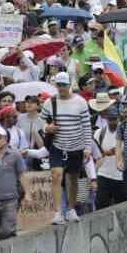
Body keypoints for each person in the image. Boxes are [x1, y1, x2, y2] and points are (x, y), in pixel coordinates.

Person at [42, 73, 90, 224]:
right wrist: (47, 128)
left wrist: (87, 147)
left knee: (73, 178)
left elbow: (86, 126)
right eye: (59, 85)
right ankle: (57, 211)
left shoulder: (80, 102)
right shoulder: (50, 102)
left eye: (64, 85)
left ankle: (70, 208)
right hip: (57, 145)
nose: (61, 88)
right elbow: (41, 121)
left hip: (76, 146)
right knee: (56, 175)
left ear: (69, 85)